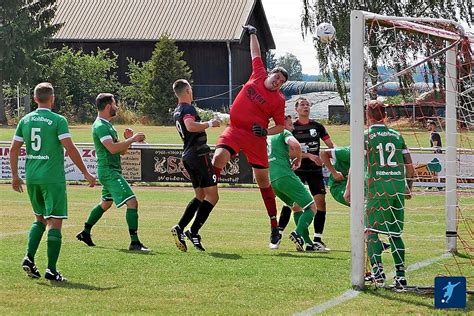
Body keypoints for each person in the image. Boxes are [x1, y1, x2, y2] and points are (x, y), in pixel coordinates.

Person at [10, 82, 96, 282]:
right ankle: (51, 270)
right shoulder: (58, 120)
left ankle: (29, 258)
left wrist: (15, 175)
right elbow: (70, 148)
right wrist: (85, 172)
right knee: (55, 222)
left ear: (34, 98)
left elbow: (14, 149)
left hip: (31, 177)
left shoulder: (25, 120)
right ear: (53, 98)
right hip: (52, 178)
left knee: (39, 218)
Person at [211, 25, 288, 246]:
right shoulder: (258, 74)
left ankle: (274, 226)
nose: (278, 82)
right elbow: (256, 52)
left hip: (255, 139)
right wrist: (253, 33)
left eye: (282, 81)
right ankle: (210, 190)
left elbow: (281, 126)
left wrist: (265, 131)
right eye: (277, 77)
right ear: (271, 72)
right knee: (218, 159)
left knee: (263, 183)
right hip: (235, 130)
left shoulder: (279, 100)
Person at [346, 100, 415, 288]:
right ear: (385, 115)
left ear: (367, 115)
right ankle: (400, 276)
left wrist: (348, 189)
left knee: (371, 231)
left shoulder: (366, 135)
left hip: (377, 188)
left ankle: (378, 273)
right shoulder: (396, 135)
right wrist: (409, 186)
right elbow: (409, 166)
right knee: (395, 233)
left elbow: (355, 165)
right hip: (397, 188)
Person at [76, 93, 150, 252]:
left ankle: (85, 232)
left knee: (106, 203)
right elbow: (111, 148)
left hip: (111, 170)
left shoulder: (108, 126)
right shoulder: (100, 126)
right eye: (115, 104)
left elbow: (120, 152)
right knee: (132, 202)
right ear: (108, 106)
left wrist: (127, 140)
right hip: (109, 172)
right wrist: (132, 140)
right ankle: (135, 242)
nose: (117, 107)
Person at [278, 97, 334, 252]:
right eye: (302, 105)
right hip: (298, 169)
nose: (305, 107)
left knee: (320, 202)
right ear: (296, 109)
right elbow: (288, 152)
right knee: (292, 204)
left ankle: (317, 239)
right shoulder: (292, 128)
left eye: (307, 105)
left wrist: (333, 155)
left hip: (315, 171)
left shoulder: (318, 126)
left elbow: (330, 145)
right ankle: (279, 233)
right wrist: (308, 155)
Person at [170, 79, 220, 252]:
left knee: (200, 195)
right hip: (199, 155)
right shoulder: (188, 108)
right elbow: (190, 126)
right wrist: (210, 124)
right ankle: (193, 231)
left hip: (188, 155)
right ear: (188, 90)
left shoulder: (177, 110)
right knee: (212, 196)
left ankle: (180, 227)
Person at [268, 115, 320, 251]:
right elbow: (295, 145)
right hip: (285, 175)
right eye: (290, 125)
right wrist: (299, 159)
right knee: (312, 207)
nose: (292, 128)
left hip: (272, 180)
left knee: (296, 207)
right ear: (283, 125)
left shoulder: (267, 137)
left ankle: (308, 243)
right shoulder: (284, 133)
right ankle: (297, 233)